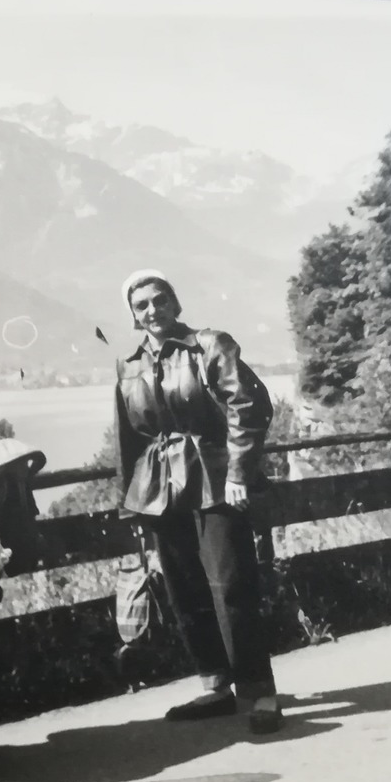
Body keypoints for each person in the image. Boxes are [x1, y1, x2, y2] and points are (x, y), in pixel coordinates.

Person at [111, 269, 284, 734]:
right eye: (141, 305)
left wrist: (239, 474)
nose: (152, 310)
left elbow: (249, 406)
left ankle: (259, 692)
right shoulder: (127, 364)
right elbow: (129, 439)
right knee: (183, 589)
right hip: (158, 489)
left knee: (232, 585)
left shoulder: (210, 345)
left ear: (175, 303)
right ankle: (215, 686)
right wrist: (131, 502)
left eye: (159, 300)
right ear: (132, 314)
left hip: (214, 478)